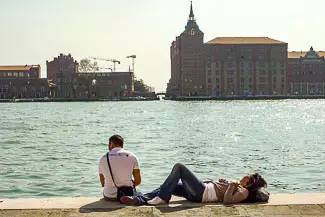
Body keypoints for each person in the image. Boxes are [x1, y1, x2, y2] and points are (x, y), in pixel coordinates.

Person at [120, 163, 267, 205]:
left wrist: (231, 185)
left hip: (202, 193)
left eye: (248, 177)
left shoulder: (245, 192)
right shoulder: (239, 186)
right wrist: (223, 182)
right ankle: (138, 199)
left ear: (251, 182)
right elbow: (224, 191)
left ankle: (163, 198)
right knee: (166, 186)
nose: (245, 176)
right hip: (200, 191)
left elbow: (228, 201)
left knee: (179, 167)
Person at [98, 134, 141, 201]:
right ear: (122, 145)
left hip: (109, 195)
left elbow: (103, 183)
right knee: (139, 193)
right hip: (127, 194)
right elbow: (138, 181)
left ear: (111, 144)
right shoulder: (132, 156)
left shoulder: (103, 158)